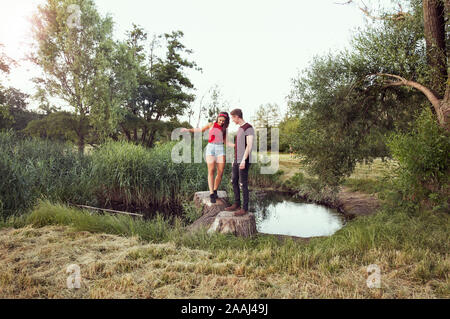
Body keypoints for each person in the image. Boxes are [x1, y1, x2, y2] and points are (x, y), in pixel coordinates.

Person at [181, 112, 233, 203]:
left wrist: (236, 145)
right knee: (211, 170)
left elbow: (226, 142)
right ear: (217, 118)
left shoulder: (225, 129)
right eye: (220, 120)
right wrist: (188, 130)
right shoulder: (211, 124)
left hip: (220, 148)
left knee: (220, 172)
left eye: (223, 121)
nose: (221, 122)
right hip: (210, 148)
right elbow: (200, 130)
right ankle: (212, 193)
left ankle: (215, 189)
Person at [224, 108, 255, 216]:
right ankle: (237, 203)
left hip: (244, 160)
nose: (232, 120)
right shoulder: (240, 129)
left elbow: (249, 146)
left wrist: (243, 160)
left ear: (237, 116)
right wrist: (234, 159)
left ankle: (244, 208)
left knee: (243, 184)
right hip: (237, 159)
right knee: (234, 181)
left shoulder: (248, 128)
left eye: (233, 117)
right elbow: (238, 146)